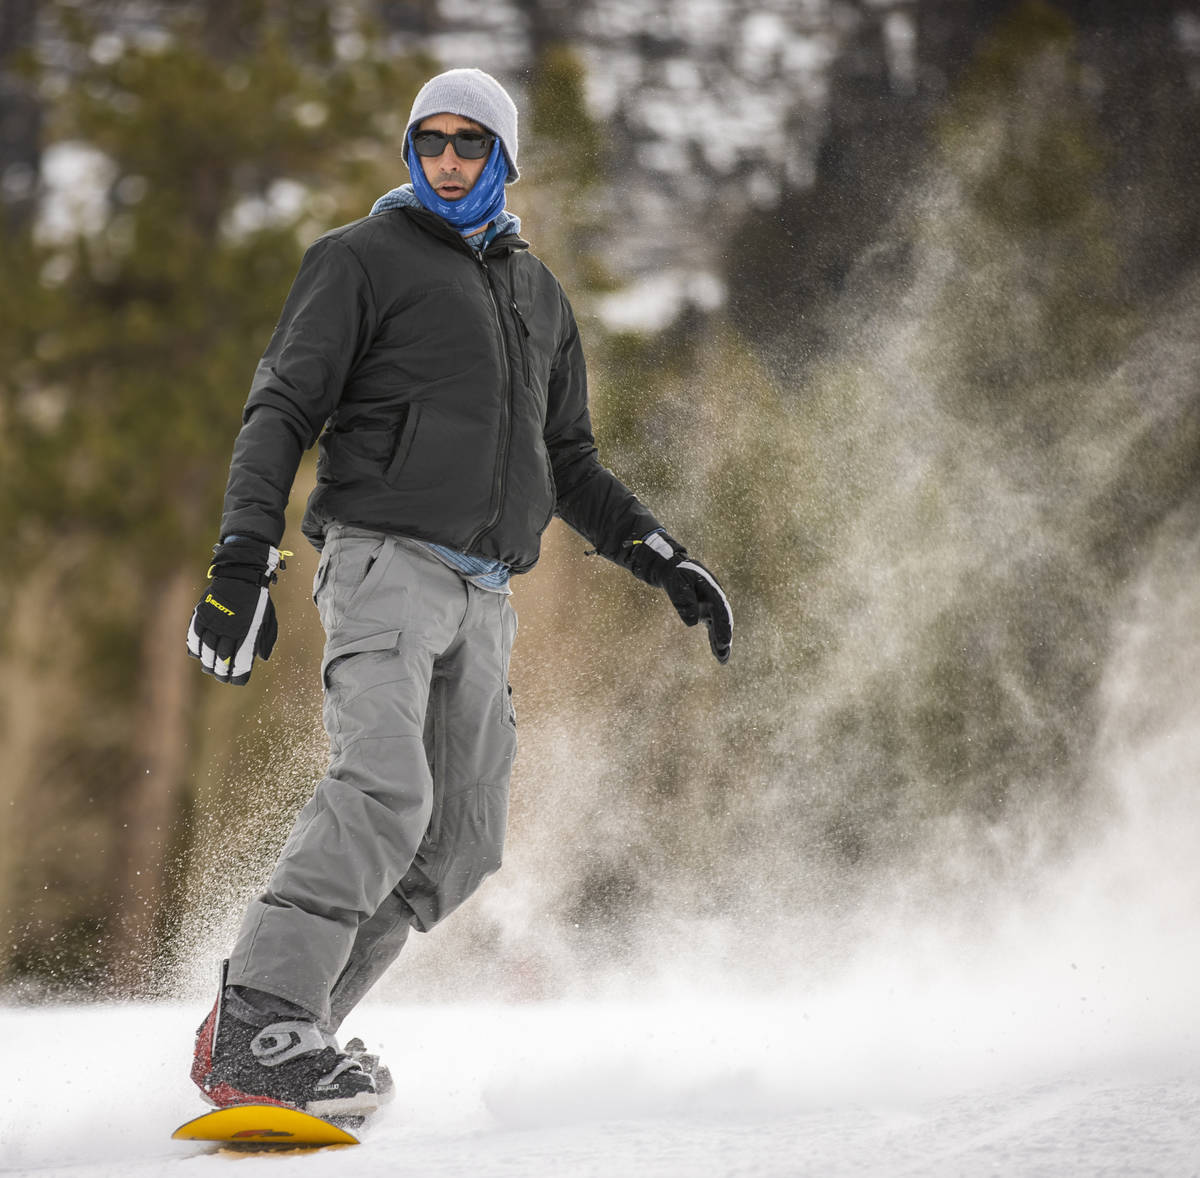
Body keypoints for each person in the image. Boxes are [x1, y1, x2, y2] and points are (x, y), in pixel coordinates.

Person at [185, 67, 733, 1116]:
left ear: (503, 159)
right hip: (384, 563)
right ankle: (262, 1014)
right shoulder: (360, 260)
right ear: (410, 153)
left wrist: (662, 555)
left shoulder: (537, 297)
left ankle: (291, 1035)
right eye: (429, 140)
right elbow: (280, 409)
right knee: (385, 784)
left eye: (468, 142)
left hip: (486, 597)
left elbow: (569, 462)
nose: (446, 158)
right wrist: (241, 558)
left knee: (459, 840)